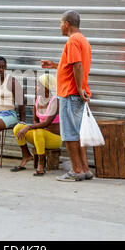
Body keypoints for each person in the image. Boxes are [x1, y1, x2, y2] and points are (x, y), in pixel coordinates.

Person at [41, 10, 93, 181]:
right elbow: (71, 66)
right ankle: (85, 169)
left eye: (60, 23)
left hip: (70, 94)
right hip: (75, 93)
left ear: (67, 24)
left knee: (70, 135)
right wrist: (55, 65)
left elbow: (78, 66)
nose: (60, 26)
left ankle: (76, 171)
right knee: (78, 134)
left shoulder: (72, 41)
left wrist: (78, 89)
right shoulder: (82, 40)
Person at [11, 74, 62, 176]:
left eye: (38, 85)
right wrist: (31, 128)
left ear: (46, 87)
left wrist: (29, 127)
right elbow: (35, 120)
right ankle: (26, 155)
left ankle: (41, 163)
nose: (35, 87)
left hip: (55, 139)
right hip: (40, 136)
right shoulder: (38, 98)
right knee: (18, 127)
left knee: (38, 131)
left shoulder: (55, 101)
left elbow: (46, 123)